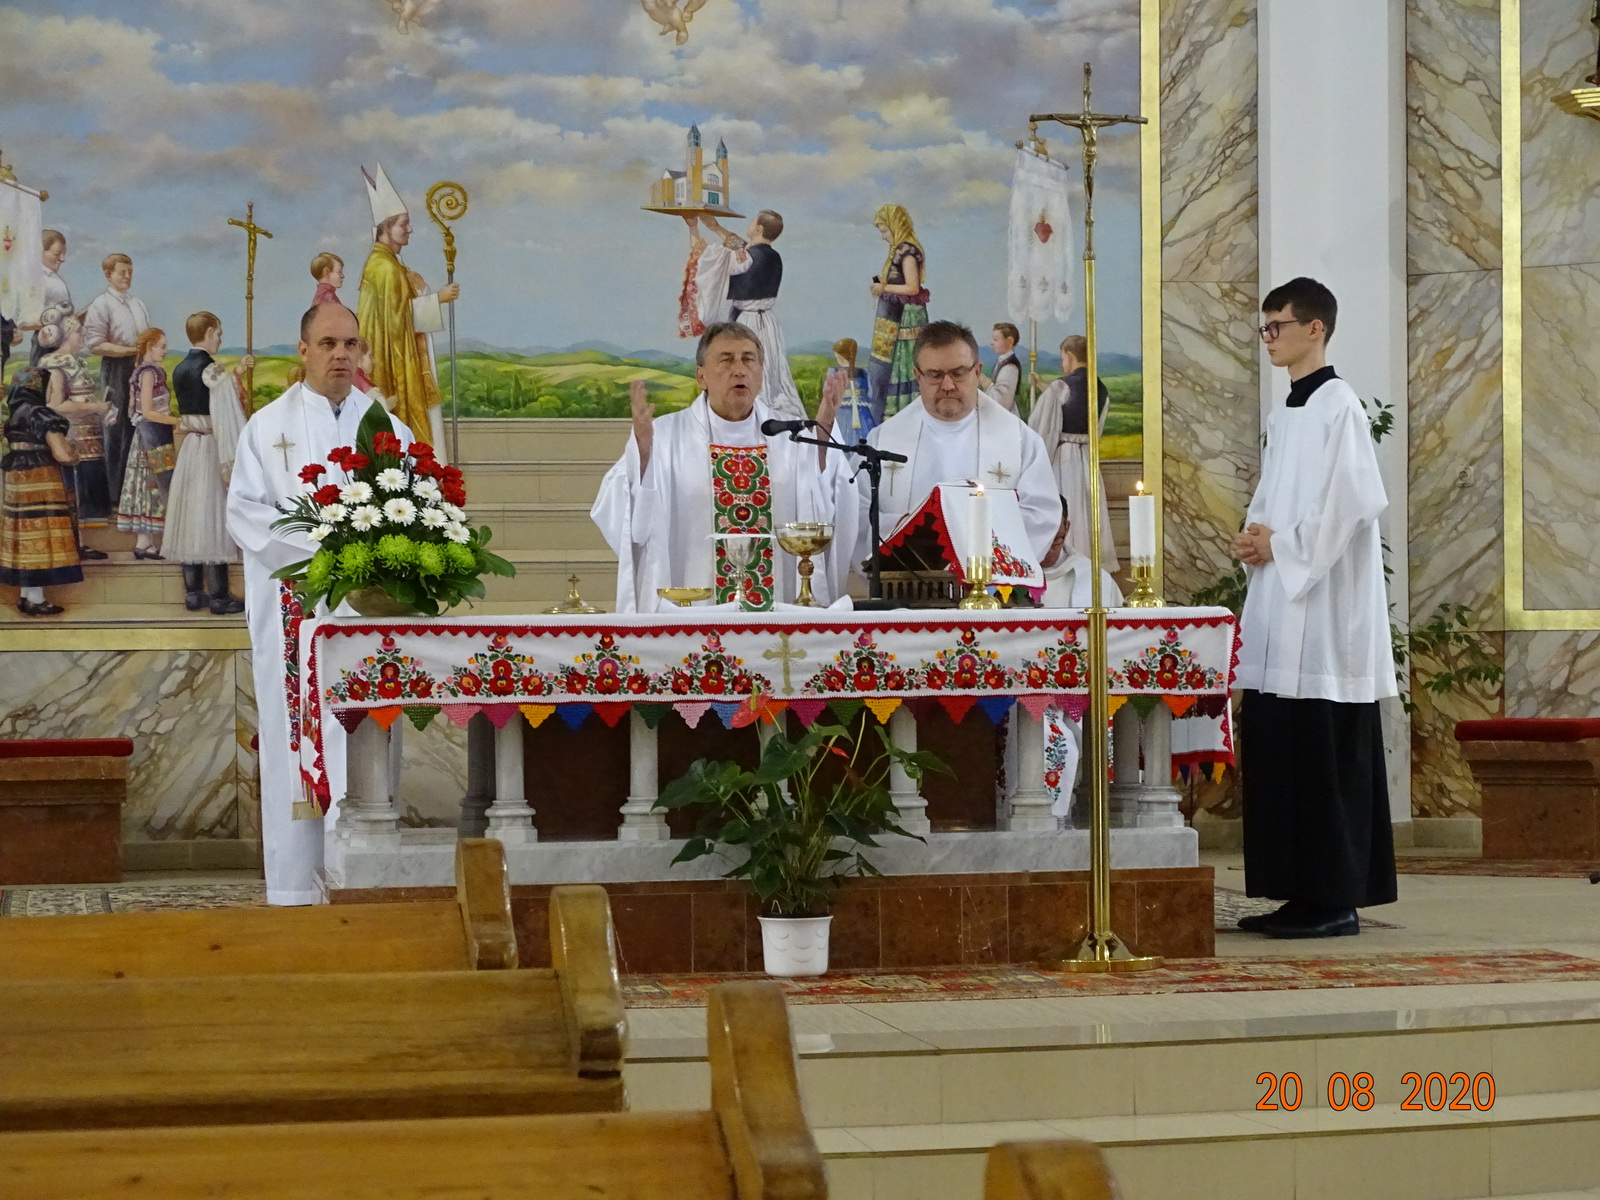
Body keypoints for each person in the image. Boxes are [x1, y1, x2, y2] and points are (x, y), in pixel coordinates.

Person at [227, 303, 414, 906]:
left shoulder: (388, 428)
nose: (341, 354)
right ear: (303, 350)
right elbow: (245, 514)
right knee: (297, 738)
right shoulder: (267, 427)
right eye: (328, 343)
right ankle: (295, 888)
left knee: (368, 734)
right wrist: (328, 550)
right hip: (297, 610)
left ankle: (363, 879)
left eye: (351, 344)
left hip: (368, 617)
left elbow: (417, 505)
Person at [1231, 276, 1397, 940]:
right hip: (1282, 598)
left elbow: (1353, 504)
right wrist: (1255, 538)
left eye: (1277, 326)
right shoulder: (1286, 413)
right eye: (1264, 327)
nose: (1268, 338)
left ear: (1314, 329)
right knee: (1283, 747)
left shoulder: (1340, 405)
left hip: (1327, 611)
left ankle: (1335, 899)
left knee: (1324, 753)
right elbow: (1276, 497)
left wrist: (1284, 546)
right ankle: (1298, 893)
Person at [591, 321, 856, 612]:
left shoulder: (791, 435)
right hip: (694, 615)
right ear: (701, 376)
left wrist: (823, 434)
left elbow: (825, 501)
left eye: (748, 359)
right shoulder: (664, 436)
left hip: (778, 610)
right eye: (726, 360)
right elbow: (626, 517)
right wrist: (642, 457)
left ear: (760, 373)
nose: (739, 370)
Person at [839, 320, 1059, 573]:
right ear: (918, 376)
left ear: (977, 371)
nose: (947, 385)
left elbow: (1041, 515)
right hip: (906, 587)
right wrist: (920, 534)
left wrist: (962, 544)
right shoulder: (882, 441)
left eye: (958, 373)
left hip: (990, 590)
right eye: (935, 375)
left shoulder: (1020, 440)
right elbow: (856, 513)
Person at [356, 163, 459, 456]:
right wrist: (436, 299)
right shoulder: (385, 268)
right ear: (386, 228)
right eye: (404, 224)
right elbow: (395, 323)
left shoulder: (389, 264)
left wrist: (425, 292)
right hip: (393, 363)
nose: (409, 229)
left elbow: (398, 312)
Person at [165, 311, 251, 614]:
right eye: (219, 333)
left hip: (190, 448)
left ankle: (193, 593)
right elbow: (228, 418)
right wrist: (237, 457)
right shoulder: (213, 371)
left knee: (192, 518)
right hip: (212, 448)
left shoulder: (179, 368)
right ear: (210, 332)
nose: (221, 339)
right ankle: (218, 596)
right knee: (212, 518)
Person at [690, 210, 805, 418]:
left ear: (759, 229)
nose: (749, 224)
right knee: (770, 372)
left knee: (753, 370)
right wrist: (715, 227)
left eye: (753, 221)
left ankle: (754, 415)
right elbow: (742, 247)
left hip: (750, 321)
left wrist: (695, 229)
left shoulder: (749, 257)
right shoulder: (770, 255)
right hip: (766, 321)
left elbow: (726, 257)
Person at [1026, 334, 1118, 572]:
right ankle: (1089, 570)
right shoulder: (1101, 389)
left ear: (1070, 356)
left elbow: (1042, 430)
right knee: (1087, 514)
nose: (1061, 364)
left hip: (1063, 460)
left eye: (1062, 358)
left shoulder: (1060, 386)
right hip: (1088, 458)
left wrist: (1036, 467)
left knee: (1068, 510)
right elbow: (1095, 427)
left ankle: (1065, 566)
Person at [0, 367, 83, 616]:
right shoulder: (41, 413)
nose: (49, 391)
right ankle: (37, 600)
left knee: (25, 536)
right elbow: (62, 454)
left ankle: (27, 596)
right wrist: (75, 453)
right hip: (40, 479)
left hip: (17, 479)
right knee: (41, 535)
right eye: (48, 386)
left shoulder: (14, 415)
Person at [37, 306, 112, 552]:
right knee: (71, 492)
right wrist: (96, 407)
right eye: (79, 331)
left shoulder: (75, 361)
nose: (83, 335)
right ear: (66, 336)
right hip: (70, 438)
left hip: (87, 439)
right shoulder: (55, 363)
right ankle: (73, 544)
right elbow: (55, 405)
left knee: (83, 495)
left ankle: (80, 543)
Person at [80, 252, 151, 501]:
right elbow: (95, 345)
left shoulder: (137, 304)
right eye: (122, 272)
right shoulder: (101, 304)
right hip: (116, 370)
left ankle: (134, 494)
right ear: (108, 274)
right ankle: (114, 496)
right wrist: (131, 351)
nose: (128, 276)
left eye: (130, 272)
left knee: (138, 425)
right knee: (117, 427)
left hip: (140, 368)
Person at [116, 327, 177, 560]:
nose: (165, 351)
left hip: (156, 433)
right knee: (150, 485)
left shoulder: (151, 371)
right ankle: (144, 543)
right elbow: (148, 411)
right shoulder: (148, 373)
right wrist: (176, 421)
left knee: (155, 486)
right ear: (150, 347)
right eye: (162, 346)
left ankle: (146, 543)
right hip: (149, 436)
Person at [866, 204, 929, 420]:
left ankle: (902, 414)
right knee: (886, 365)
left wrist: (884, 287)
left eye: (885, 230)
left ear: (896, 226)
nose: (883, 236)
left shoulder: (907, 252)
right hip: (893, 316)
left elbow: (913, 288)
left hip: (904, 319)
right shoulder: (899, 250)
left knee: (901, 366)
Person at [1039, 504, 1122, 608]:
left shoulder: (1095, 578)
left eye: (1056, 539)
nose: (1048, 550)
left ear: (1067, 528)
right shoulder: (1017, 576)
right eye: (1040, 541)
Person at [24, 229, 73, 366]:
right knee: (41, 377)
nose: (62, 259)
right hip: (44, 343)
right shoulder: (33, 279)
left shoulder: (56, 278)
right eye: (57, 254)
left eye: (64, 254)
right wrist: (55, 321)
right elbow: (23, 321)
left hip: (62, 343)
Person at [827, 337, 875, 441]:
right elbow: (870, 393)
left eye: (838, 357)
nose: (837, 359)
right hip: (845, 410)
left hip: (855, 411)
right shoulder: (835, 372)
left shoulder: (863, 373)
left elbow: (870, 394)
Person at [983, 322, 1023, 414]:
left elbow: (1003, 401)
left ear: (1010, 341)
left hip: (1005, 415)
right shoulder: (1002, 361)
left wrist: (988, 386)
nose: (992, 343)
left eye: (996, 340)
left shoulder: (1010, 367)